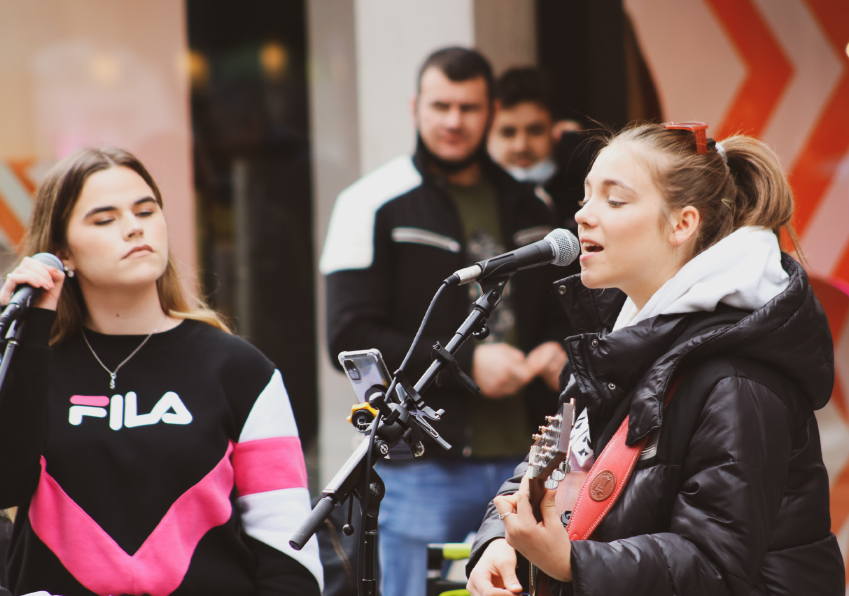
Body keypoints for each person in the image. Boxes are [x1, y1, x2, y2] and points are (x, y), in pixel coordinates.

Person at [466, 122, 846, 595]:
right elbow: (550, 461)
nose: (583, 215)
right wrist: (499, 540)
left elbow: (715, 567)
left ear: (682, 224)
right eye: (585, 197)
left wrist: (572, 563)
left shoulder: (740, 378)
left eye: (615, 200)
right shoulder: (616, 340)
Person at [0, 148, 323, 595]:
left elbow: (288, 554)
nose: (134, 226)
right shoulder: (31, 363)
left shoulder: (241, 371)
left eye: (146, 210)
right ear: (62, 254)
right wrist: (28, 332)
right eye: (104, 219)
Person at [321, 47, 568, 596]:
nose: (454, 120)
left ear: (490, 110)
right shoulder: (367, 202)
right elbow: (348, 336)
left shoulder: (533, 204)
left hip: (527, 461)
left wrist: (558, 350)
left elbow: (560, 313)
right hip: (420, 467)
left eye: (469, 107)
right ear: (415, 107)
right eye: (441, 105)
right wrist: (466, 358)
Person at [488, 67, 590, 249]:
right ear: (488, 135)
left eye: (535, 130)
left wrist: (580, 159)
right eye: (508, 133)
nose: (521, 146)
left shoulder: (581, 188)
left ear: (556, 130)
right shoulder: (482, 195)